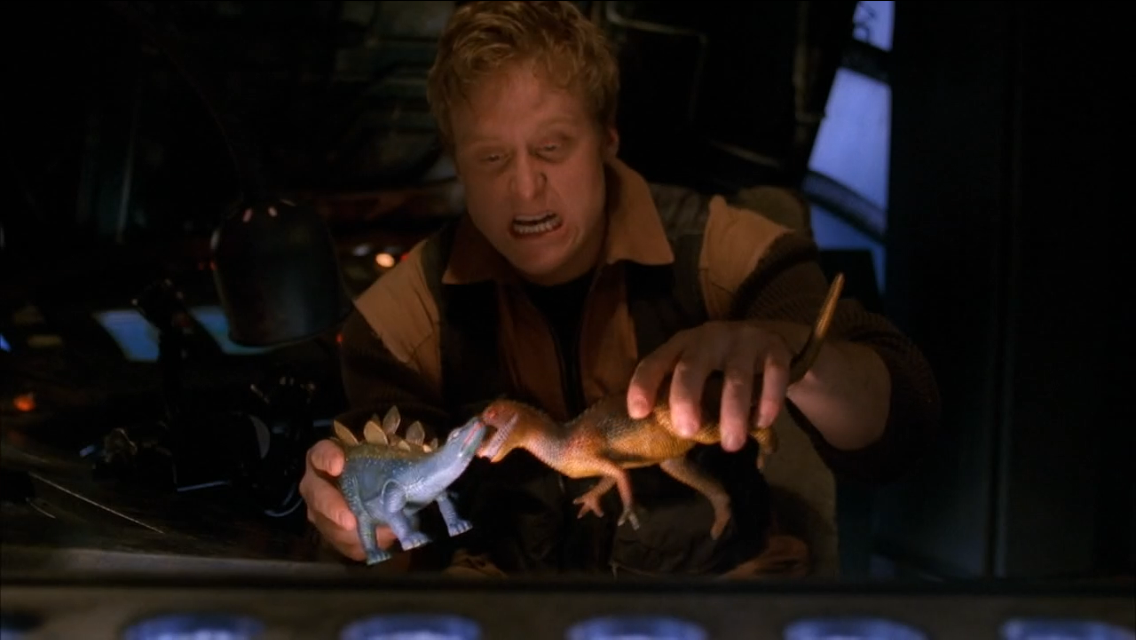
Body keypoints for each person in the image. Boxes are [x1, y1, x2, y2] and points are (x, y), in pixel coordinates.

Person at [299, 0, 940, 578]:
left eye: (552, 147)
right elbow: (397, 538)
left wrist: (783, 348)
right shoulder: (397, 320)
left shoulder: (731, 250)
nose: (525, 187)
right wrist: (354, 519)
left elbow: (902, 419)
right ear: (455, 159)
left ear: (607, 138)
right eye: (491, 158)